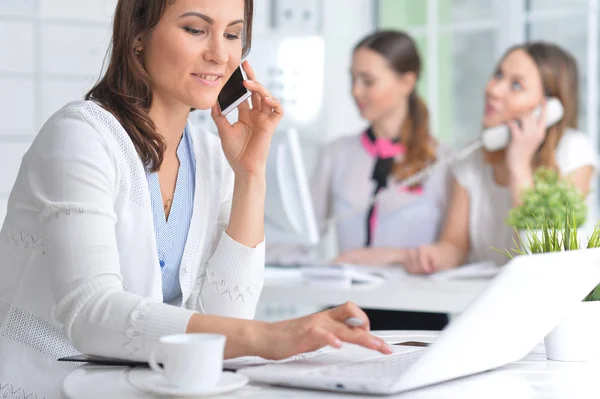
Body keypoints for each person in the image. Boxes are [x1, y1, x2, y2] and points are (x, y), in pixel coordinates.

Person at [0, 1, 390, 397]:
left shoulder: (210, 156)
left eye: (233, 34)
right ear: (138, 35)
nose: (220, 54)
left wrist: (249, 175)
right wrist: (272, 336)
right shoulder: (82, 136)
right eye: (195, 29)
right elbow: (91, 315)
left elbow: (223, 321)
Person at [403, 42, 598, 274]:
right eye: (498, 75)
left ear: (549, 108)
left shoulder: (574, 152)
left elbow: (547, 258)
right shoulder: (471, 159)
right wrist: (434, 256)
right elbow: (455, 244)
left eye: (516, 85)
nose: (494, 90)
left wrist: (519, 164)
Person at [308, 30, 453, 330]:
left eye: (368, 80)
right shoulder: (335, 154)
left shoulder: (444, 161)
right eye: (353, 79)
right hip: (345, 313)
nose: (356, 91)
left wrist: (387, 256)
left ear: (407, 82)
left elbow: (455, 250)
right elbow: (302, 236)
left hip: (418, 316)